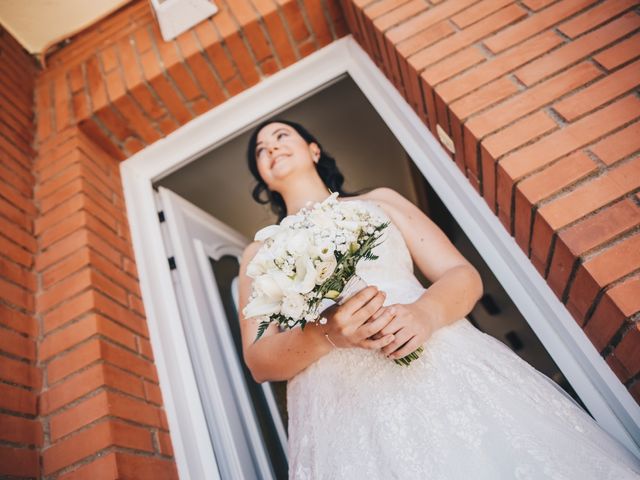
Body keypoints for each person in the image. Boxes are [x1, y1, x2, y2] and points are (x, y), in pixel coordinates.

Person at [238, 118, 640, 479]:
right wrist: (325, 334)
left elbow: (462, 276)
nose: (271, 147)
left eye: (281, 136)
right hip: (341, 405)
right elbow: (259, 360)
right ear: (263, 180)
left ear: (313, 149)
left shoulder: (379, 201)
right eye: (260, 150)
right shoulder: (258, 256)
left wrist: (424, 315)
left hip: (435, 359)